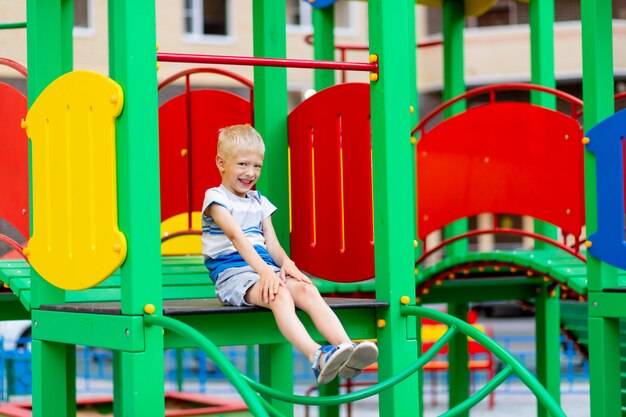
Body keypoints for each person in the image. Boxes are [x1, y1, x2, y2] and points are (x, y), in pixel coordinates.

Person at [202, 125, 378, 384]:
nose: (250, 173)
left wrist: (288, 265)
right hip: (233, 275)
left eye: (257, 166)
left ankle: (346, 349)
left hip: (264, 270)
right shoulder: (216, 198)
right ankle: (316, 356)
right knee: (280, 295)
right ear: (221, 163)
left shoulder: (259, 201)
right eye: (242, 164)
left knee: (307, 290)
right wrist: (265, 272)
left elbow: (272, 244)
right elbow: (236, 237)